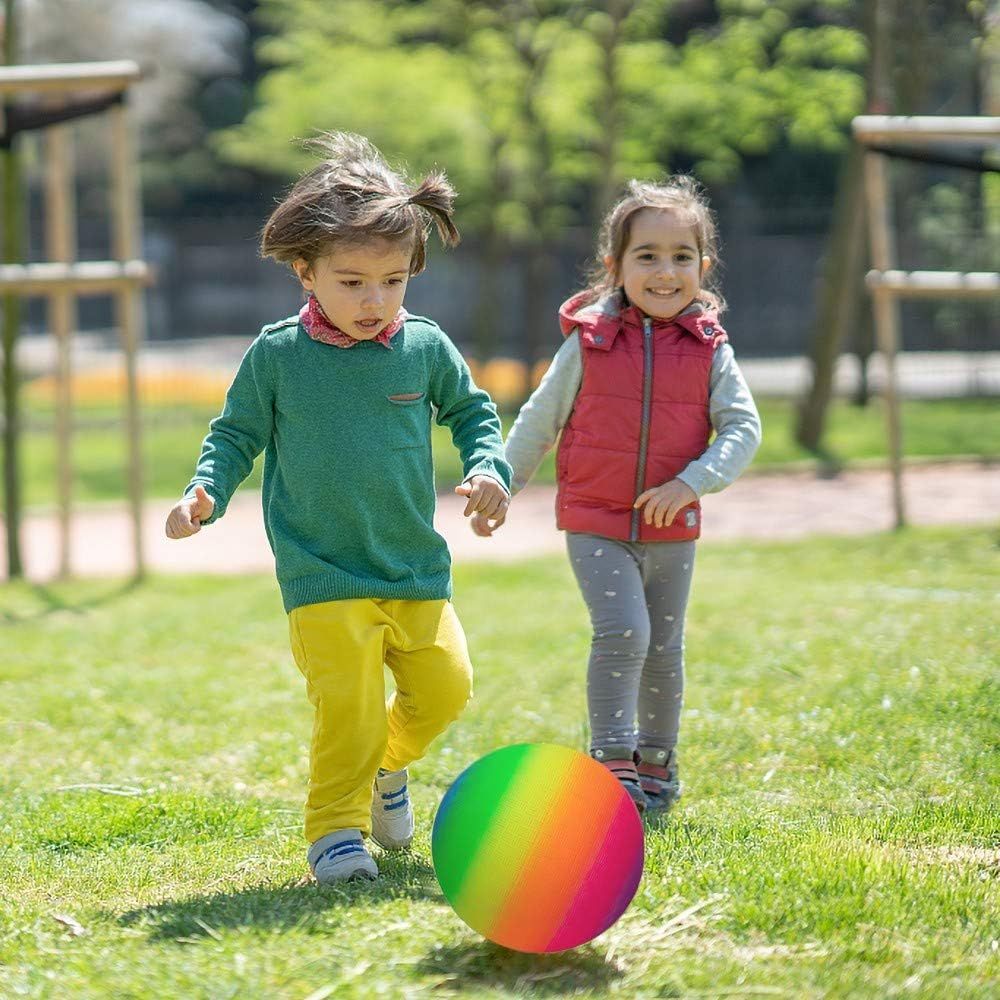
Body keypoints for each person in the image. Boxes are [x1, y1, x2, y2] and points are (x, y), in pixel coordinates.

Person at [165, 133, 512, 882]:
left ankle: (385, 771)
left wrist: (490, 470)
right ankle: (335, 834)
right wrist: (204, 493)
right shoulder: (278, 356)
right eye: (352, 281)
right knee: (347, 711)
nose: (374, 300)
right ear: (305, 271)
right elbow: (234, 435)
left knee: (446, 691)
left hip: (413, 566)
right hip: (321, 574)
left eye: (392, 282)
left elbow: (475, 415)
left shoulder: (423, 346)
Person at [472, 176, 761, 813]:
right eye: (647, 256)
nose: (665, 271)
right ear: (615, 267)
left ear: (703, 266)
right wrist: (501, 481)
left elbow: (744, 427)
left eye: (682, 256)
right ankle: (614, 759)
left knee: (664, 644)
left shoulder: (711, 350)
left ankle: (658, 761)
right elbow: (538, 420)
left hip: (672, 523)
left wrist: (691, 482)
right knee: (623, 632)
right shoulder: (588, 342)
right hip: (597, 519)